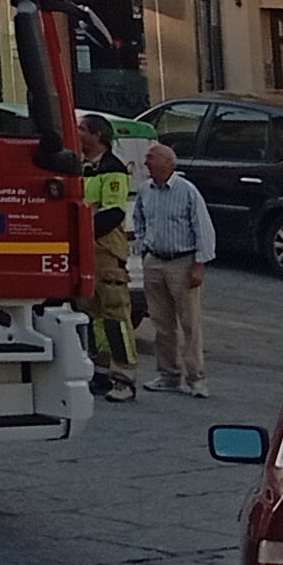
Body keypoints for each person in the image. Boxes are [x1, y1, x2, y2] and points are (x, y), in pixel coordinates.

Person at [128, 138, 215, 398]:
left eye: (151, 158)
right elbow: (139, 219)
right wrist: (146, 247)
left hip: (182, 262)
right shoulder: (146, 190)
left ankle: (196, 378)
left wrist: (199, 264)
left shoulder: (187, 191)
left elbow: (203, 228)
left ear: (168, 163)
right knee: (161, 323)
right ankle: (168, 374)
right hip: (155, 261)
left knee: (189, 323)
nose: (146, 163)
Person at [79, 115, 139, 401]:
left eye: (82, 129)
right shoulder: (82, 167)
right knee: (92, 315)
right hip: (86, 250)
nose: (76, 133)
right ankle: (100, 372)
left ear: (98, 135)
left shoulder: (112, 169)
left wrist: (83, 228)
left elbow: (112, 212)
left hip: (105, 251)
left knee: (115, 314)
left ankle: (125, 377)